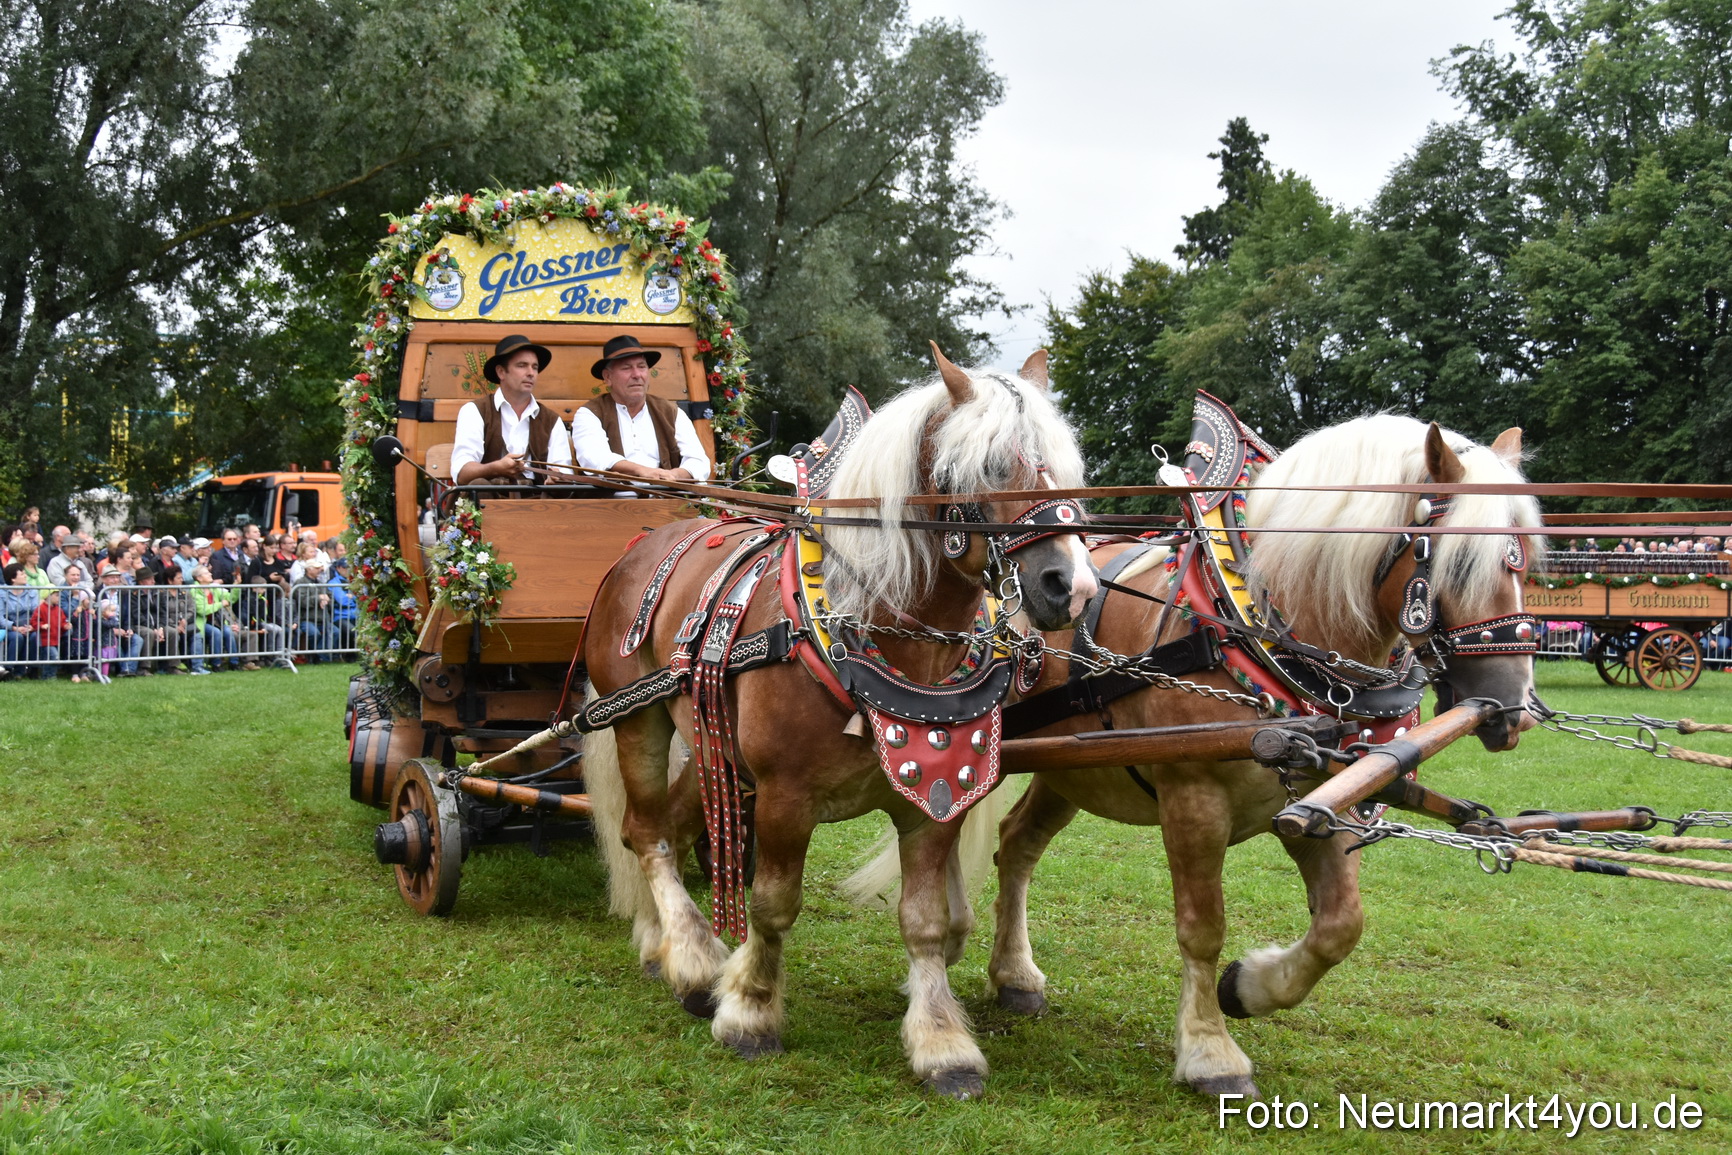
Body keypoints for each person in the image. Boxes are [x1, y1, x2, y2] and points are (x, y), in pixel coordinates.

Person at [570, 334, 711, 488]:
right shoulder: (590, 413)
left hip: (666, 503)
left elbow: (699, 462)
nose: (637, 375)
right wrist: (643, 471)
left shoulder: (671, 412)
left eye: (642, 367)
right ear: (607, 377)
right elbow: (594, 458)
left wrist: (674, 475)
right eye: (626, 368)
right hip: (610, 506)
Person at [450, 334, 574, 484]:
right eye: (522, 365)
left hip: (538, 504)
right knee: (479, 485)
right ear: (501, 372)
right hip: (489, 501)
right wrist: (495, 468)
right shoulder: (475, 411)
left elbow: (565, 472)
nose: (531, 373)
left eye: (535, 367)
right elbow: (462, 473)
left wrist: (557, 478)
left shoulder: (551, 420)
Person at [188, 565, 239, 674]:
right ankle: (216, 663)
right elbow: (203, 610)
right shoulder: (194, 590)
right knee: (216, 632)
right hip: (202, 621)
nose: (210, 574)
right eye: (207, 573)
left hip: (217, 620)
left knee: (228, 632)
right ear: (199, 578)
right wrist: (220, 604)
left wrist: (236, 585)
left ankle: (234, 662)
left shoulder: (214, 587)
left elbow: (230, 599)